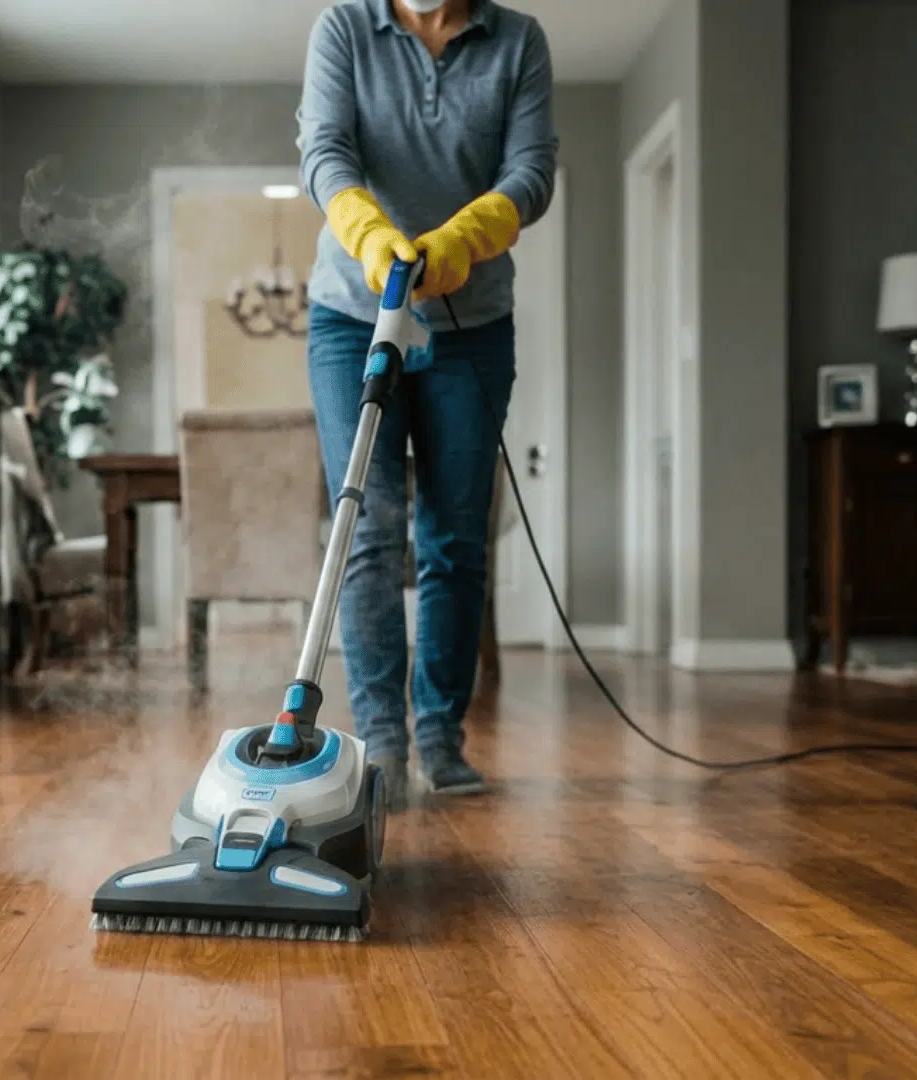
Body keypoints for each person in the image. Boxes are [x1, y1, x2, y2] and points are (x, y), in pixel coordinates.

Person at [296, 0, 556, 800]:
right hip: (352, 313)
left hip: (471, 321)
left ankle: (441, 736)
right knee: (366, 526)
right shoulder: (344, 28)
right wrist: (371, 235)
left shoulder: (517, 41)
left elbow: (530, 172)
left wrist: (464, 238)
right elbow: (325, 149)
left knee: (453, 536)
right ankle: (380, 742)